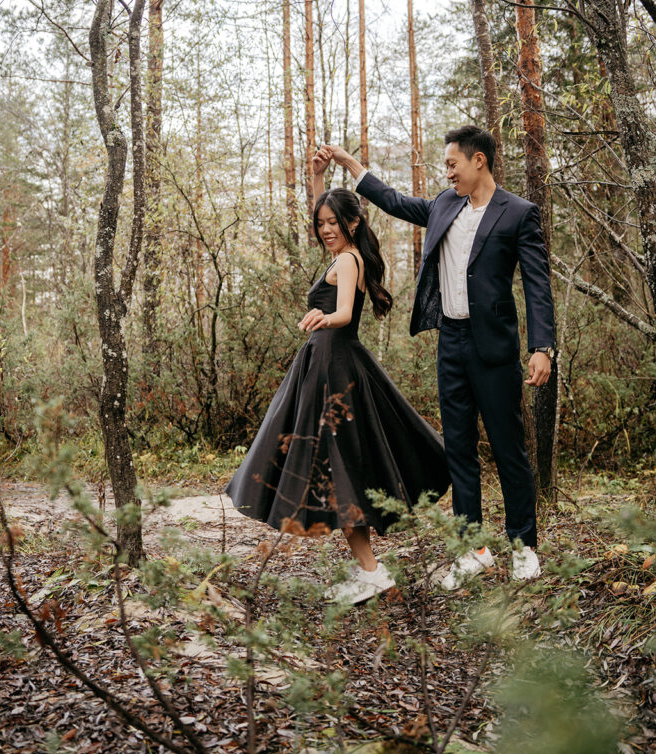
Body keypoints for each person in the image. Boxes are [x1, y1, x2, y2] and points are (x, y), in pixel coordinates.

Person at [320, 126, 555, 587]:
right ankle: (473, 549)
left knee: (509, 450)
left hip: (495, 350)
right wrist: (351, 166)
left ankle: (523, 546)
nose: (446, 172)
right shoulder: (445, 205)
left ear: (479, 161)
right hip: (451, 344)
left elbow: (537, 285)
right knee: (459, 450)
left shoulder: (518, 214)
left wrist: (542, 347)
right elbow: (394, 201)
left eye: (452, 163)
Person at [226, 157, 450, 604]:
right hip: (327, 366)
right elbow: (324, 212)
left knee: (340, 470)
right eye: (321, 223)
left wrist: (321, 316)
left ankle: (372, 572)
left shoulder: (347, 262)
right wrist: (316, 179)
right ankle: (370, 570)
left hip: (334, 370)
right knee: (337, 470)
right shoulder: (344, 253)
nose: (325, 229)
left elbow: (346, 312)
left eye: (333, 222)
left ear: (352, 222)